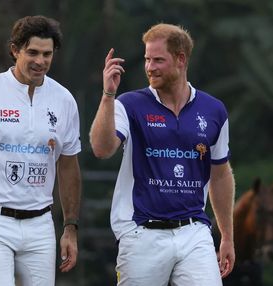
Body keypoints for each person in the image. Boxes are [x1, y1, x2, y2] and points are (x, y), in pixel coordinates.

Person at [90, 23, 235, 285]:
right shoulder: (129, 104)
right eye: (147, 59)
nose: (149, 67)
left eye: (158, 60)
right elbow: (102, 149)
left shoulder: (214, 110)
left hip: (195, 233)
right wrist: (108, 95)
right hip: (141, 233)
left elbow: (221, 174)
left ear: (181, 59)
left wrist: (227, 236)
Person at [0, 15, 81, 286]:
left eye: (47, 54)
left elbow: (68, 166)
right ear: (15, 50)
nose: (40, 61)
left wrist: (70, 228)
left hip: (40, 223)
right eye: (32, 52)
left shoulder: (64, 99)